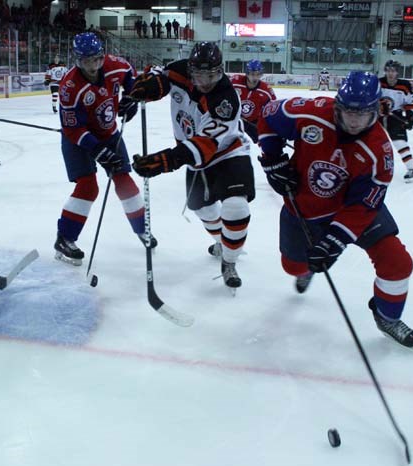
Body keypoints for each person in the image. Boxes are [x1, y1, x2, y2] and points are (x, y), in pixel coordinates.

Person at [257, 71, 413, 349]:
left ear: (376, 111)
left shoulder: (380, 152)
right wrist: (272, 160)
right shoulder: (313, 112)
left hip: (353, 209)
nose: (354, 122)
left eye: (363, 115)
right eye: (348, 113)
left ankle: (387, 317)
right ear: (337, 106)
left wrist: (335, 240)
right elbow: (268, 115)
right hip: (305, 208)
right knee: (292, 266)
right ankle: (305, 270)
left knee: (398, 262)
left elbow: (365, 205)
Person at [127, 42, 255, 290]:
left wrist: (164, 161)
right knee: (203, 210)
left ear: (221, 71)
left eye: (212, 75)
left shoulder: (225, 99)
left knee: (235, 207)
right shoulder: (180, 70)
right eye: (199, 75)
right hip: (193, 155)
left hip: (228, 152)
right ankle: (222, 241)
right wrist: (148, 87)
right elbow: (160, 76)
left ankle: (229, 261)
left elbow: (205, 146)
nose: (205, 81)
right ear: (190, 69)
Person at [54, 32, 153, 266]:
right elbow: (72, 129)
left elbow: (131, 79)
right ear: (78, 60)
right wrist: (97, 150)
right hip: (78, 140)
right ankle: (65, 238)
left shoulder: (116, 66)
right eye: (87, 61)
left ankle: (142, 229)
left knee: (124, 180)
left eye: (97, 59)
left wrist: (132, 98)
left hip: (108, 132)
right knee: (88, 187)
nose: (94, 65)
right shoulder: (70, 87)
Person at [379, 60, 413, 182]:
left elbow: (412, 102)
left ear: (397, 72)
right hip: (378, 117)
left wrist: (409, 117)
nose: (391, 73)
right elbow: (369, 98)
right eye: (388, 70)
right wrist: (379, 106)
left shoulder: (405, 85)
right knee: (373, 141)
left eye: (393, 71)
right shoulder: (378, 83)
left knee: (399, 142)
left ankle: (412, 169)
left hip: (395, 116)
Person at [229, 59, 276, 143]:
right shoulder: (235, 81)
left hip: (253, 123)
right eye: (252, 74)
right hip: (234, 120)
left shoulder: (266, 90)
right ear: (247, 73)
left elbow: (273, 110)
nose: (255, 77)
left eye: (258, 74)